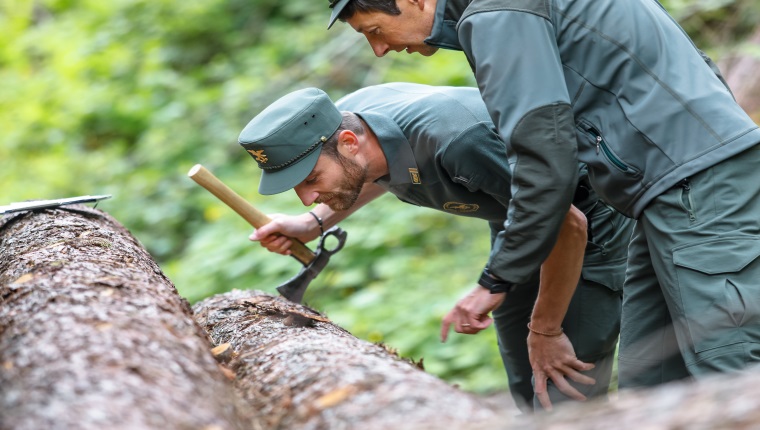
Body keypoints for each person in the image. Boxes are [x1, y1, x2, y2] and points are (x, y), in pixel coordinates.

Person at [326, 0, 760, 393]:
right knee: (651, 383)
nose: (378, 51)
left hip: (696, 184)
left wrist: (496, 280)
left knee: (730, 364)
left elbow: (543, 160)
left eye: (374, 31)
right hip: (660, 191)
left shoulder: (498, 15)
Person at [238, 82, 633, 411]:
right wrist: (313, 223)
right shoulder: (349, 127)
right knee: (523, 370)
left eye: (311, 180)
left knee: (562, 384)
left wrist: (546, 328)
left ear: (347, 142)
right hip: (516, 216)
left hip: (587, 213)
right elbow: (368, 175)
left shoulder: (459, 142)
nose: (307, 198)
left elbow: (566, 223)